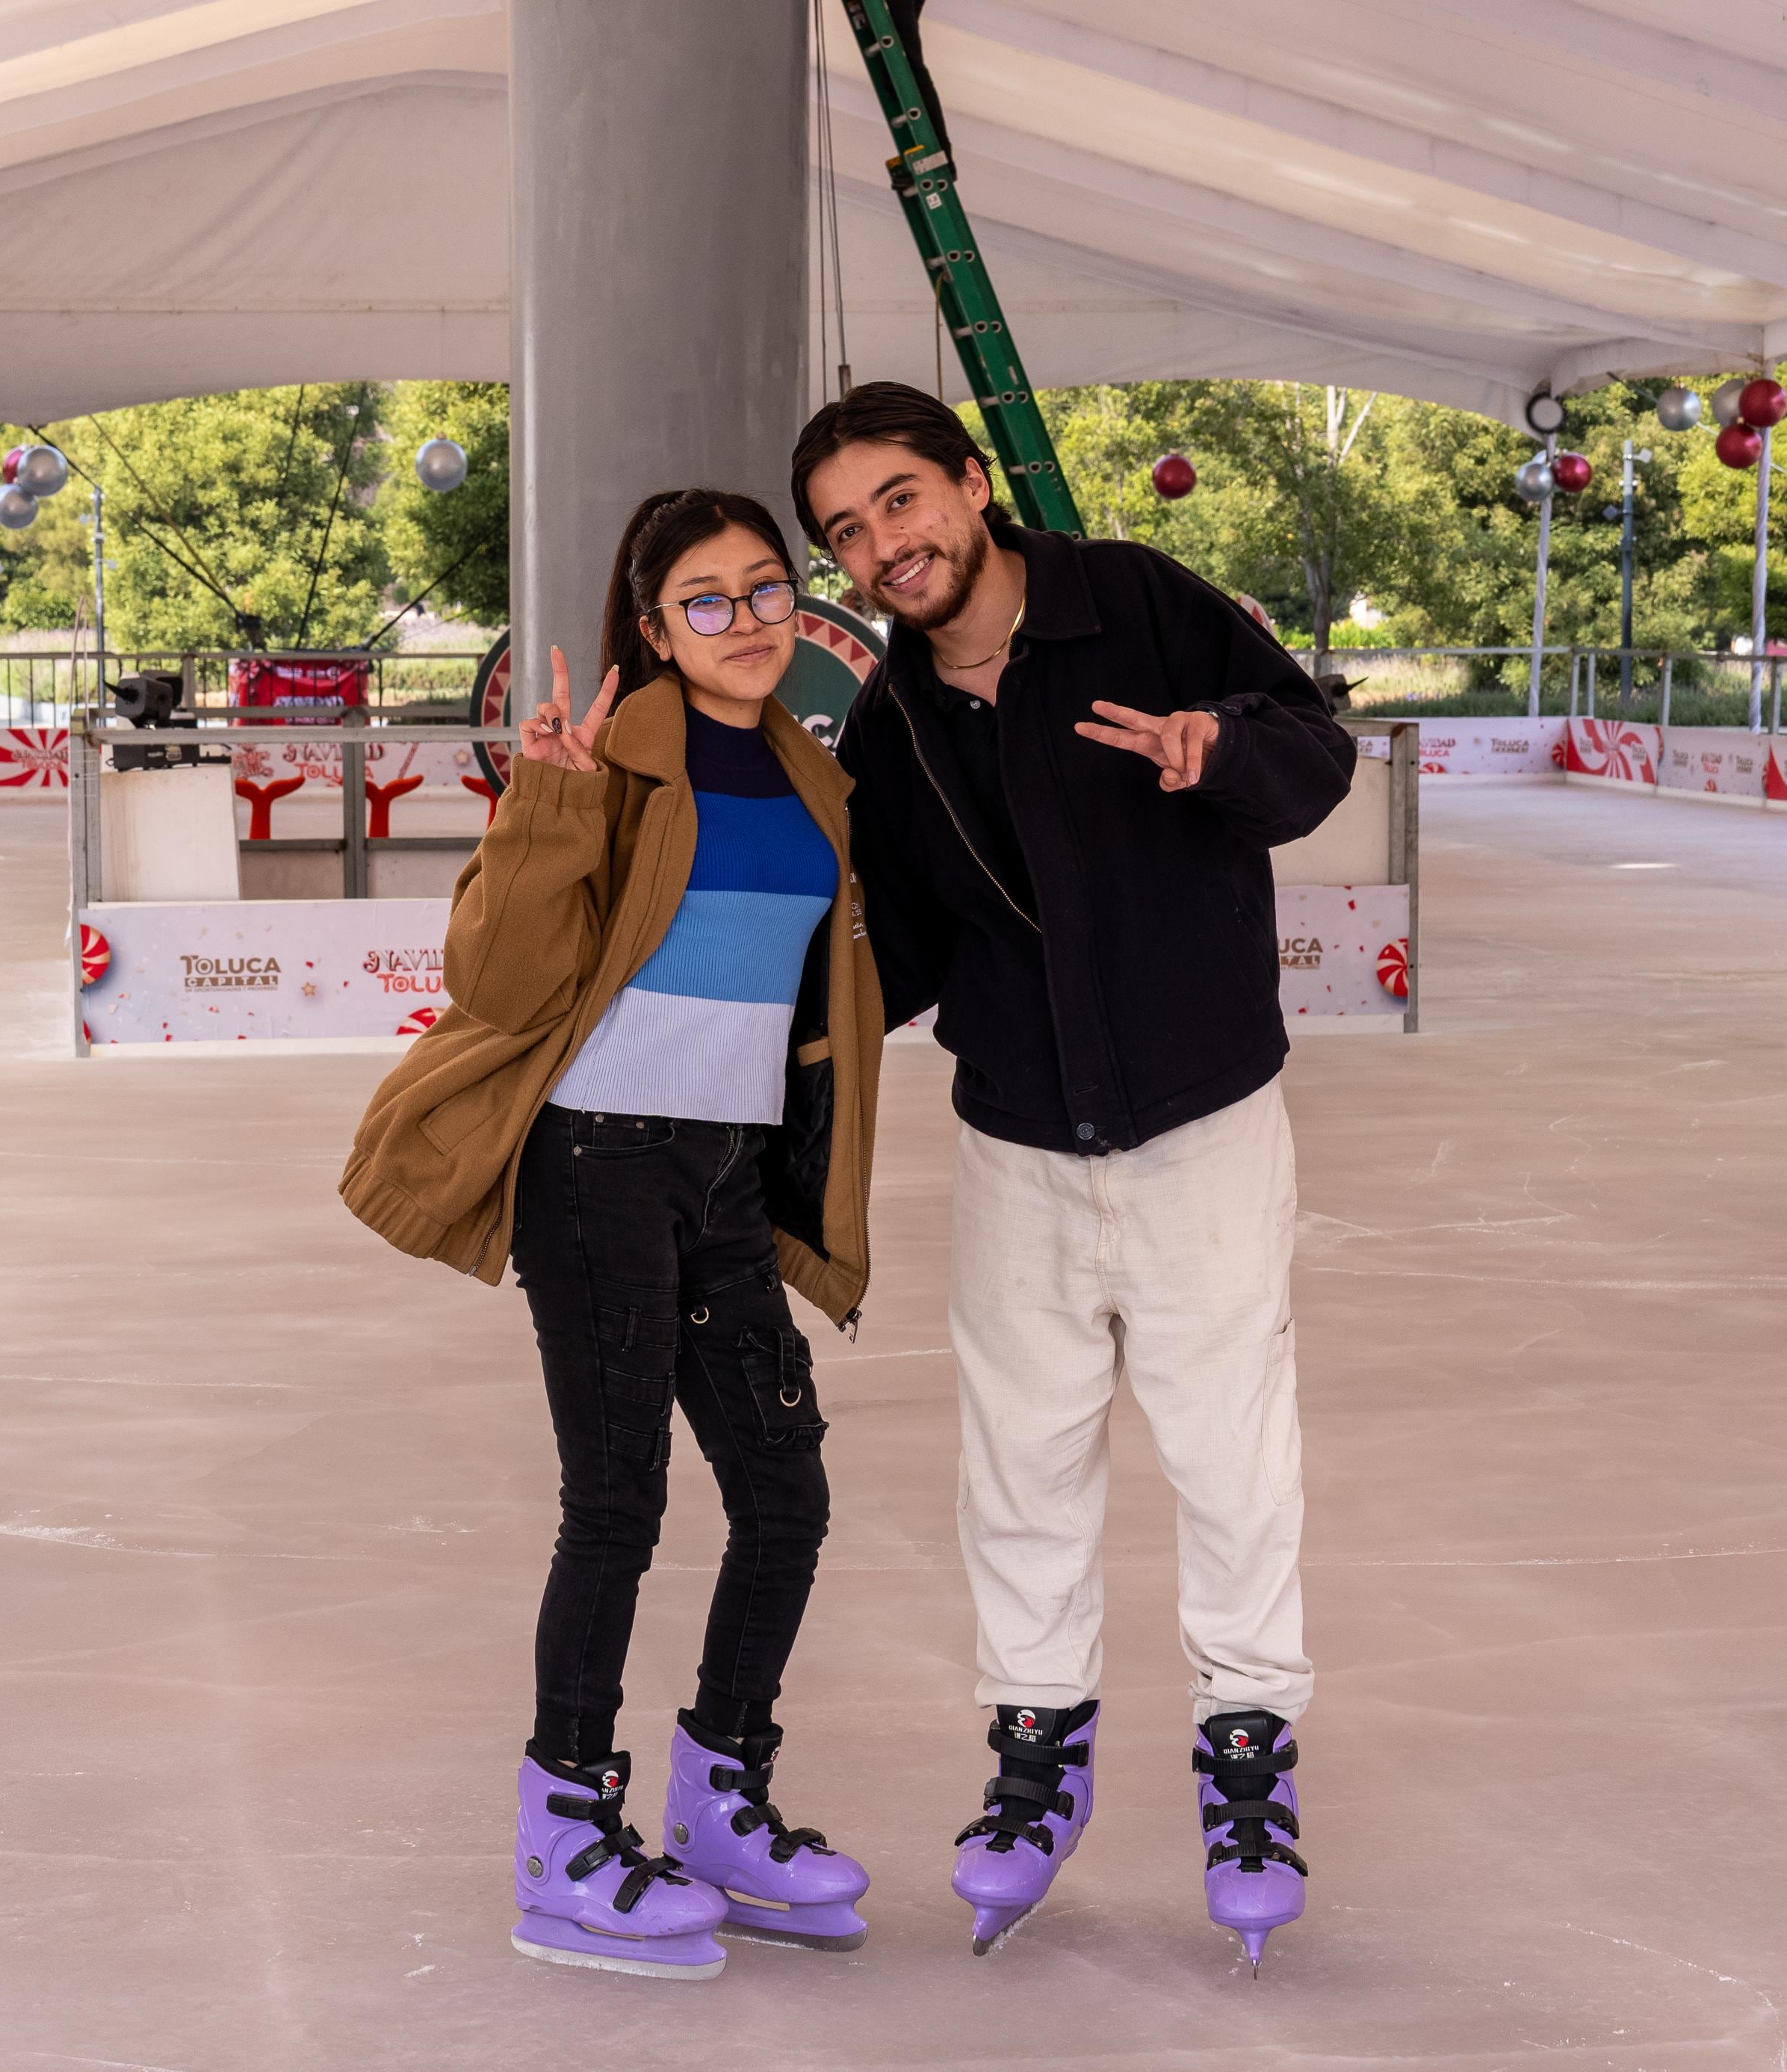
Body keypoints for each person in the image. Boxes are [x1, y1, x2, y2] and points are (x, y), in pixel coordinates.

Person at [792, 383, 1355, 1969]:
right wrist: (768, 989)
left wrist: (1216, 748)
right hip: (1019, 1134)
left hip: (1200, 1117)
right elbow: (898, 945)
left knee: (1231, 1453)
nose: (884, 544)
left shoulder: (1143, 607)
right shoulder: (889, 722)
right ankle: (1035, 1762)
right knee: (1019, 1466)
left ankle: (1247, 1762)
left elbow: (1312, 753)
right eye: (847, 529)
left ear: (970, 487)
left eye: (901, 500)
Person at [339, 488, 885, 1982]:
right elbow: (499, 982)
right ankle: (565, 1831)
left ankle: (722, 1801)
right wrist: (549, 802)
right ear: (652, 629)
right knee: (620, 1501)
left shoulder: (812, 776)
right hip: (596, 1166)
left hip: (725, 1174)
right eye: (706, 601)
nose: (749, 623)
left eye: (768, 590)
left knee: (785, 1497)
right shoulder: (610, 765)